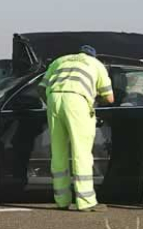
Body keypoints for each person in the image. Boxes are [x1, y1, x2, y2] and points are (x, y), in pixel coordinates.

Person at [37, 45, 114, 212]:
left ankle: (62, 200)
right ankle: (86, 201)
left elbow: (40, 88)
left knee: (58, 152)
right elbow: (110, 98)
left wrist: (50, 102)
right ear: (93, 55)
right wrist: (95, 100)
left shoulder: (59, 61)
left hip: (53, 99)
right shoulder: (96, 64)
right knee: (81, 152)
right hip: (77, 101)